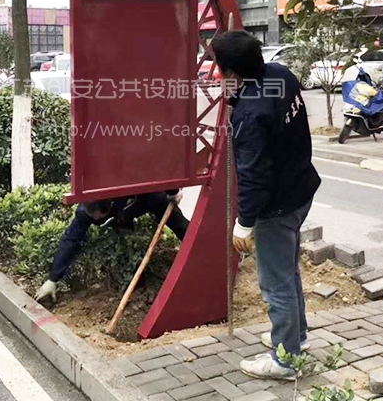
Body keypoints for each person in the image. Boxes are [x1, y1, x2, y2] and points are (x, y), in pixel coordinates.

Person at [212, 30, 321, 381]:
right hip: (300, 190)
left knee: (275, 283)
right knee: (288, 271)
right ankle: (295, 338)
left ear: (230, 71)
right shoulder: (280, 75)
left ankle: (285, 361)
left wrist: (244, 223)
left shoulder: (250, 114)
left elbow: (253, 174)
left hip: (276, 206)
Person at [34, 190, 188, 302]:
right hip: (119, 215)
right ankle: (137, 281)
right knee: (125, 243)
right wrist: (52, 279)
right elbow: (70, 240)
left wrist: (172, 192)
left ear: (109, 206)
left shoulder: (139, 194)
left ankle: (198, 254)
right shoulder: (85, 212)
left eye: (99, 217)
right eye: (94, 218)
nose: (96, 219)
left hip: (144, 199)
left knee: (180, 225)